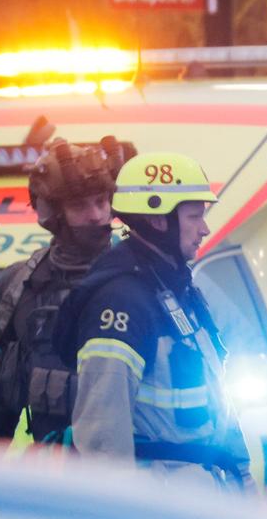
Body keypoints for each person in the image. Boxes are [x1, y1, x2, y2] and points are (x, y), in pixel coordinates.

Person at [55, 152, 245, 486]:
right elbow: (102, 440)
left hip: (204, 495)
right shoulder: (120, 303)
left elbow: (218, 404)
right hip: (163, 506)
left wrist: (244, 484)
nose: (205, 229)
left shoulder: (177, 290)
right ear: (159, 221)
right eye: (194, 216)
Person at [0, 137, 133, 444]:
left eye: (101, 201)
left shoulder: (141, 278)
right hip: (54, 478)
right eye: (79, 205)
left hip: (133, 474)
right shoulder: (17, 287)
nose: (96, 215)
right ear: (52, 213)